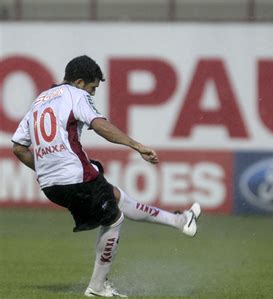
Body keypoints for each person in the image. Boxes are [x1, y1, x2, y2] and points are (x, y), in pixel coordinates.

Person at [11, 55, 201, 297]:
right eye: (92, 88)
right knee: (113, 219)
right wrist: (137, 146)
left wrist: (47, 168)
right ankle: (97, 286)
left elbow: (18, 147)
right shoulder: (75, 95)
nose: (92, 93)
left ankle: (181, 221)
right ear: (79, 82)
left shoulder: (38, 101)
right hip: (74, 175)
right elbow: (100, 126)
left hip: (50, 185)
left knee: (116, 196)